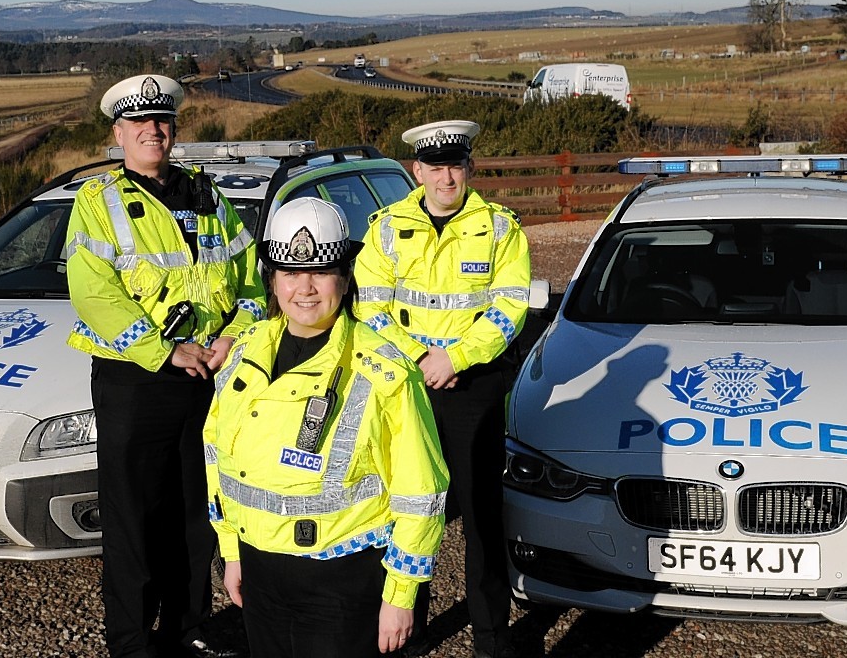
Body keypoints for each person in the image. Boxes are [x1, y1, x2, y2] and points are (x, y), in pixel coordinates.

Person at [66, 73, 263, 658]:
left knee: (195, 510)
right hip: (137, 380)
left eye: (163, 121)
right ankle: (131, 642)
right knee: (133, 519)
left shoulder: (209, 196)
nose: (154, 131)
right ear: (119, 133)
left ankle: (189, 626)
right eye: (141, 123)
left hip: (206, 376)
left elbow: (250, 279)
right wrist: (162, 349)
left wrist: (233, 335)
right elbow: (93, 293)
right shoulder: (98, 204)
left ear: (174, 129)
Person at [203, 197, 448, 658]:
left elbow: (421, 490)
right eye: (291, 273)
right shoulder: (244, 351)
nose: (305, 288)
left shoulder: (385, 370)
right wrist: (232, 551)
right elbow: (218, 456)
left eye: (320, 271)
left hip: (343, 581)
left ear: (344, 277)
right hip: (261, 570)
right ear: (271, 280)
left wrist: (400, 596)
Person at [354, 119, 531, 658]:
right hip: (409, 388)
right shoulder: (385, 227)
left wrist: (456, 356)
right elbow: (369, 306)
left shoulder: (500, 227)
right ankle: (410, 630)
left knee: (481, 519)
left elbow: (510, 308)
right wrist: (421, 360)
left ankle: (491, 640)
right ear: (417, 170)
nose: (445, 176)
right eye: (435, 166)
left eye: (455, 165)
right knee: (411, 506)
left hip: (474, 387)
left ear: (469, 168)